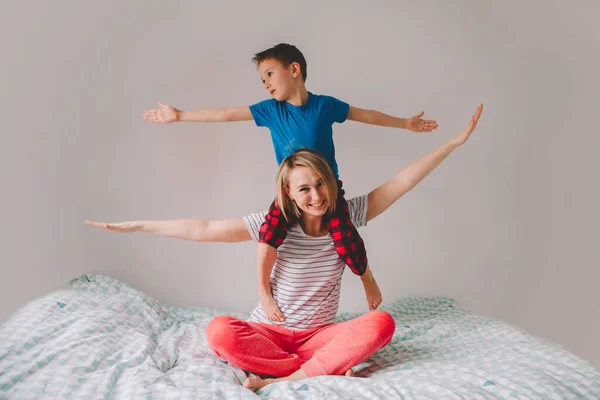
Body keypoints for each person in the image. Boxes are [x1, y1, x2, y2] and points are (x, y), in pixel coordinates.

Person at [87, 105, 482, 392]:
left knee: (382, 324)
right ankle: (311, 370)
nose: (316, 196)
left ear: (331, 182)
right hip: (269, 334)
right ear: (290, 195)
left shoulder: (348, 217)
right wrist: (139, 226)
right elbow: (203, 228)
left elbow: (400, 182)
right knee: (219, 331)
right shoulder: (272, 225)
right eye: (304, 189)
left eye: (321, 184)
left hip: (319, 335)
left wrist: (452, 143)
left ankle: (291, 375)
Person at [141, 43, 439, 322]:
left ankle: (367, 278)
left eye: (269, 74)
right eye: (262, 80)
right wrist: (179, 115)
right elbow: (224, 114)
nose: (266, 83)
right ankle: (264, 295)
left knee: (346, 238)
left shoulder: (325, 106)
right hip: (292, 196)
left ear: (294, 70)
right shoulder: (271, 110)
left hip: (327, 194)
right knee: (269, 237)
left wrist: (405, 123)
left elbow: (367, 115)